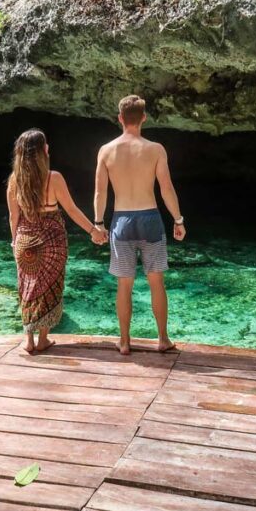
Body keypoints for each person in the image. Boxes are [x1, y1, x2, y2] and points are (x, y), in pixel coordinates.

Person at [94, 95, 185, 355]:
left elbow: (100, 193)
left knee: (125, 284)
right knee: (157, 282)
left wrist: (99, 224)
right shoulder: (155, 149)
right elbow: (166, 188)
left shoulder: (106, 150)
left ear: (120, 118)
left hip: (121, 220)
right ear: (144, 117)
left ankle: (124, 342)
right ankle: (163, 339)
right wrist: (178, 219)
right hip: (150, 219)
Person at [7, 129, 106, 354]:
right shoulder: (54, 178)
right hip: (52, 241)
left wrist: (15, 242)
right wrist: (93, 230)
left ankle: (28, 340)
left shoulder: (14, 180)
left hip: (24, 241)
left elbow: (14, 216)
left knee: (27, 287)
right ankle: (43, 339)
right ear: (44, 151)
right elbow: (71, 209)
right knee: (50, 287)